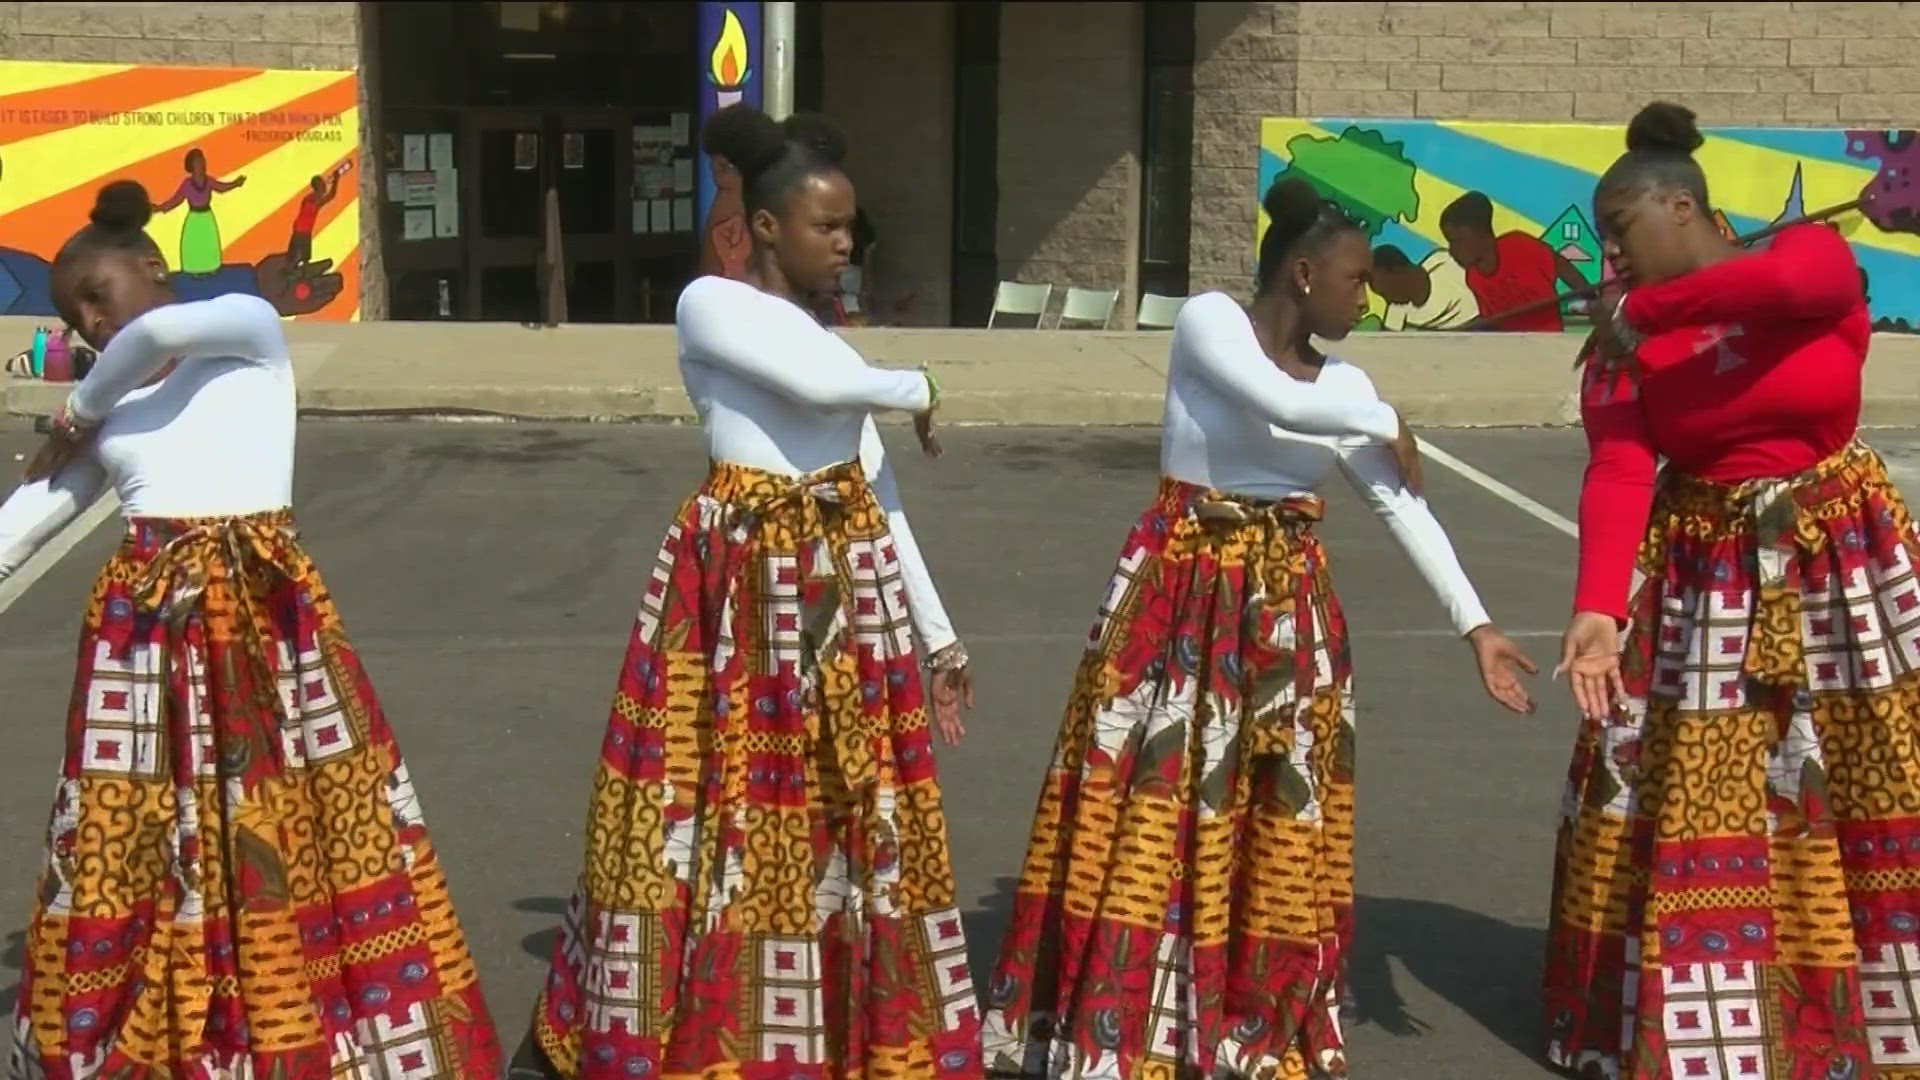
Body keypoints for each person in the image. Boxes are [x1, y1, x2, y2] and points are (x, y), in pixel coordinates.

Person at [980, 177, 1539, 1080]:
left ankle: (1243, 1011)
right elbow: (1279, 407)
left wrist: (1476, 625)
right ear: (1305, 272)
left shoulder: (1347, 382)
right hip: (1177, 594)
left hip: (1286, 617)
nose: (1367, 298)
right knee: (1148, 797)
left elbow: (1401, 509)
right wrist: (1390, 417)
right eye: (1356, 281)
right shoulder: (1211, 324)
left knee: (1271, 814)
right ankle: (1127, 1015)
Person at [0, 181, 502, 1079]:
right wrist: (85, 419)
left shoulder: (245, 334)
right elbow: (26, 521)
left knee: (302, 824)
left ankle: (311, 1021)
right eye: (72, 313)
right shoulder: (115, 409)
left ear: (153, 270)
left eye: (95, 297)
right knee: (134, 834)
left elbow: (154, 336)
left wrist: (73, 410)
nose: (86, 326)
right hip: (142, 644)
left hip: (265, 623)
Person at [523, 104, 981, 1080]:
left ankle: (827, 1030)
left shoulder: (839, 348)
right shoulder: (713, 305)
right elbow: (819, 389)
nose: (846, 244)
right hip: (738, 591)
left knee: (846, 821)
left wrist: (938, 640)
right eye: (828, 226)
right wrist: (920, 385)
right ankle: (688, 1029)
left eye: (851, 227)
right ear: (768, 227)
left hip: (846, 592)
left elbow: (879, 493)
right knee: (701, 813)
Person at [1545, 101, 1906, 1080]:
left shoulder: (1804, 263)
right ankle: (1729, 1015)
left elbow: (1802, 280)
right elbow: (1619, 469)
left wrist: (1646, 313)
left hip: (1844, 561)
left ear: (1679, 204)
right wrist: (1597, 609)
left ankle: (1882, 1007)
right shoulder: (1623, 348)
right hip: (1711, 576)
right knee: (1712, 796)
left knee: (1870, 776)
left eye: (1621, 234)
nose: (1611, 260)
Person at [1441, 191, 1587, 332]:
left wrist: (1593, 298)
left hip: (1549, 341)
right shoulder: (1473, 278)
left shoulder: (1519, 246)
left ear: (1480, 234)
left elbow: (1562, 267)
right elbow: (1492, 321)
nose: (1451, 251)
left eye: (1456, 241)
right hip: (1513, 349)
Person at [154, 148, 246, 276]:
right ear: (191, 166)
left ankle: (211, 267)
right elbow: (175, 200)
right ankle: (195, 270)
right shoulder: (187, 184)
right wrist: (159, 208)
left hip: (207, 217)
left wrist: (236, 183)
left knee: (208, 243)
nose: (202, 165)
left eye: (202, 162)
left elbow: (221, 188)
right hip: (194, 219)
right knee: (194, 245)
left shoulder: (209, 181)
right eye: (198, 163)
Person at [1370, 243, 1480, 331]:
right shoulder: (1397, 309)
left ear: (1400, 272)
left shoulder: (1445, 263)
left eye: (1388, 292)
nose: (1389, 300)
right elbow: (1386, 346)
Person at [288, 162, 351, 272]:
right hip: (301, 230)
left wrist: (335, 180)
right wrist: (336, 179)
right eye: (322, 184)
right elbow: (329, 196)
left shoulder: (313, 198)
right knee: (299, 256)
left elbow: (329, 196)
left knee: (301, 255)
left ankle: (298, 270)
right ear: (317, 186)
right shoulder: (312, 198)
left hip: (303, 230)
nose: (324, 186)